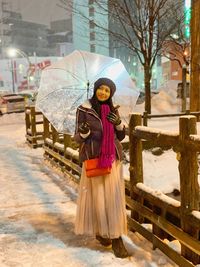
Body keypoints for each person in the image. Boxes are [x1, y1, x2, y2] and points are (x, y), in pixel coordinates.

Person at [73, 77, 129, 258]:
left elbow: (120, 137)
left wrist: (118, 123)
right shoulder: (83, 110)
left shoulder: (114, 109)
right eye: (101, 89)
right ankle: (101, 230)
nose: (103, 93)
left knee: (113, 198)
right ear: (95, 89)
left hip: (112, 158)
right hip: (94, 158)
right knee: (98, 197)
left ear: (111, 93)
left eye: (107, 90)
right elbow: (78, 138)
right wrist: (84, 131)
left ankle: (117, 238)